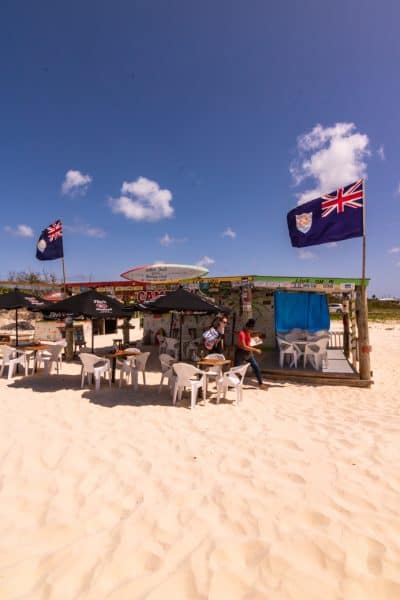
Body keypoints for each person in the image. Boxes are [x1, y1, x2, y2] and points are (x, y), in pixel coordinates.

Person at [234, 318, 267, 388]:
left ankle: (261, 384)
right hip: (240, 353)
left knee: (256, 367)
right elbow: (244, 346)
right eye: (250, 329)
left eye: (251, 329)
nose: (250, 331)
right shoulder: (242, 334)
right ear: (246, 327)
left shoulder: (248, 332)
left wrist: (260, 335)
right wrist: (256, 350)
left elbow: (252, 335)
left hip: (248, 353)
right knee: (237, 370)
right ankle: (232, 383)